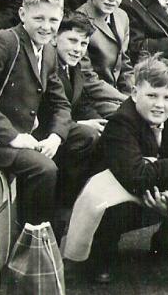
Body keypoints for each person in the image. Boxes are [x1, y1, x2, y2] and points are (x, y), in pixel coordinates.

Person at [83, 56, 168, 283]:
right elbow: (134, 176)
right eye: (151, 95)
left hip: (156, 187)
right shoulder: (121, 123)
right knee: (112, 207)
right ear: (134, 94)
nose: (159, 104)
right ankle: (101, 252)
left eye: (167, 97)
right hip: (119, 191)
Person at [0, 0, 72, 228]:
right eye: (39, 19)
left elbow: (61, 103)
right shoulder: (5, 41)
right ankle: (32, 237)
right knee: (44, 169)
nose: (47, 27)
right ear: (22, 14)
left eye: (53, 20)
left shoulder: (49, 51)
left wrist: (56, 136)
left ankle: (59, 221)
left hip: (27, 133)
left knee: (84, 139)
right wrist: (13, 136)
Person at [51, 13, 120, 208]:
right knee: (88, 135)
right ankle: (69, 202)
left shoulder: (74, 67)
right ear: (55, 38)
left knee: (109, 131)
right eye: (72, 41)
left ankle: (95, 201)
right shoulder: (49, 65)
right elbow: (45, 113)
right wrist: (81, 124)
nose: (77, 49)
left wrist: (100, 122)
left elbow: (81, 104)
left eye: (83, 44)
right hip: (50, 133)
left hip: (69, 127)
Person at [76, 0, 136, 117]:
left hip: (119, 96)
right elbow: (87, 78)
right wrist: (126, 100)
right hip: (93, 99)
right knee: (134, 119)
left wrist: (132, 94)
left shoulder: (122, 16)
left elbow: (125, 64)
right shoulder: (80, 20)